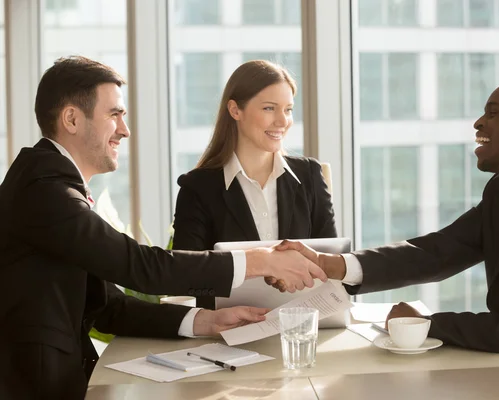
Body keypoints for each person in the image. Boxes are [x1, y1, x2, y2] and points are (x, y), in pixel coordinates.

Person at [0, 56, 327, 400]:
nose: (125, 129)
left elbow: (109, 308)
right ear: (71, 119)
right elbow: (141, 266)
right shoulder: (45, 189)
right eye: (114, 114)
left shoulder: (49, 183)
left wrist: (205, 321)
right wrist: (259, 261)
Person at [273, 79, 499, 400]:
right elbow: (435, 252)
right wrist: (332, 264)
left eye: (493, 113)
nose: (478, 123)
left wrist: (422, 324)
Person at [172, 60, 337, 308]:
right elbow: (185, 275)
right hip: (228, 333)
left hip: (303, 326)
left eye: (289, 109)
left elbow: (332, 263)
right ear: (235, 110)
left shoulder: (310, 176)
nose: (283, 121)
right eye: (270, 108)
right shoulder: (197, 188)